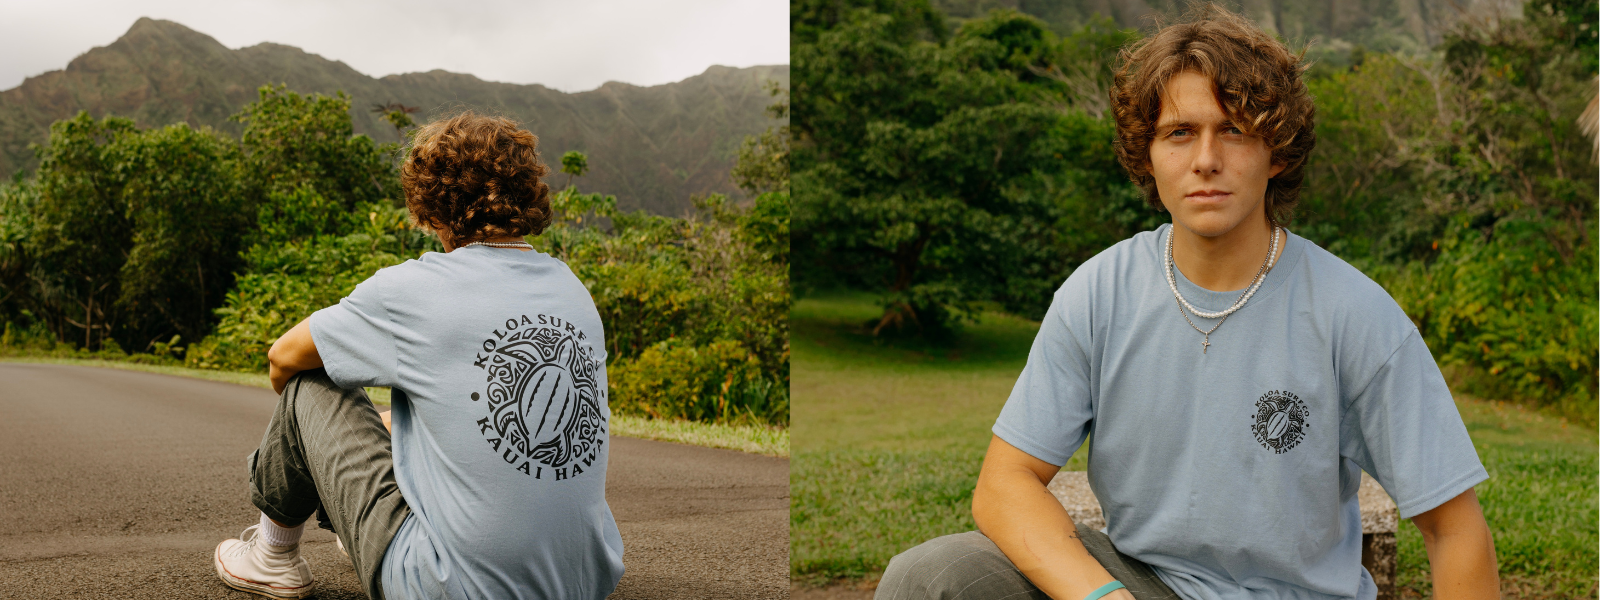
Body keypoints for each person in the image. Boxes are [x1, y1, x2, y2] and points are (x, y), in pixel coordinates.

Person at [874, 6, 1500, 600]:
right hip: (1148, 581)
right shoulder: (1099, 293)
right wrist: (1103, 595)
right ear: (1147, 154)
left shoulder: (1354, 314)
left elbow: (1454, 526)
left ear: (1275, 151)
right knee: (929, 577)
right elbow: (1004, 484)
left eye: (1232, 130)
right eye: (1179, 133)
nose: (1206, 159)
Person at [212, 112, 624, 599]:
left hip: (447, 587)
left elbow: (282, 358)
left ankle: (272, 554)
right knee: (414, 419)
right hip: (584, 582)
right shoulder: (571, 289)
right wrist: (402, 426)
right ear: (527, 194)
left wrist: (314, 443)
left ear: (429, 205)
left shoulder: (413, 289)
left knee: (312, 381)